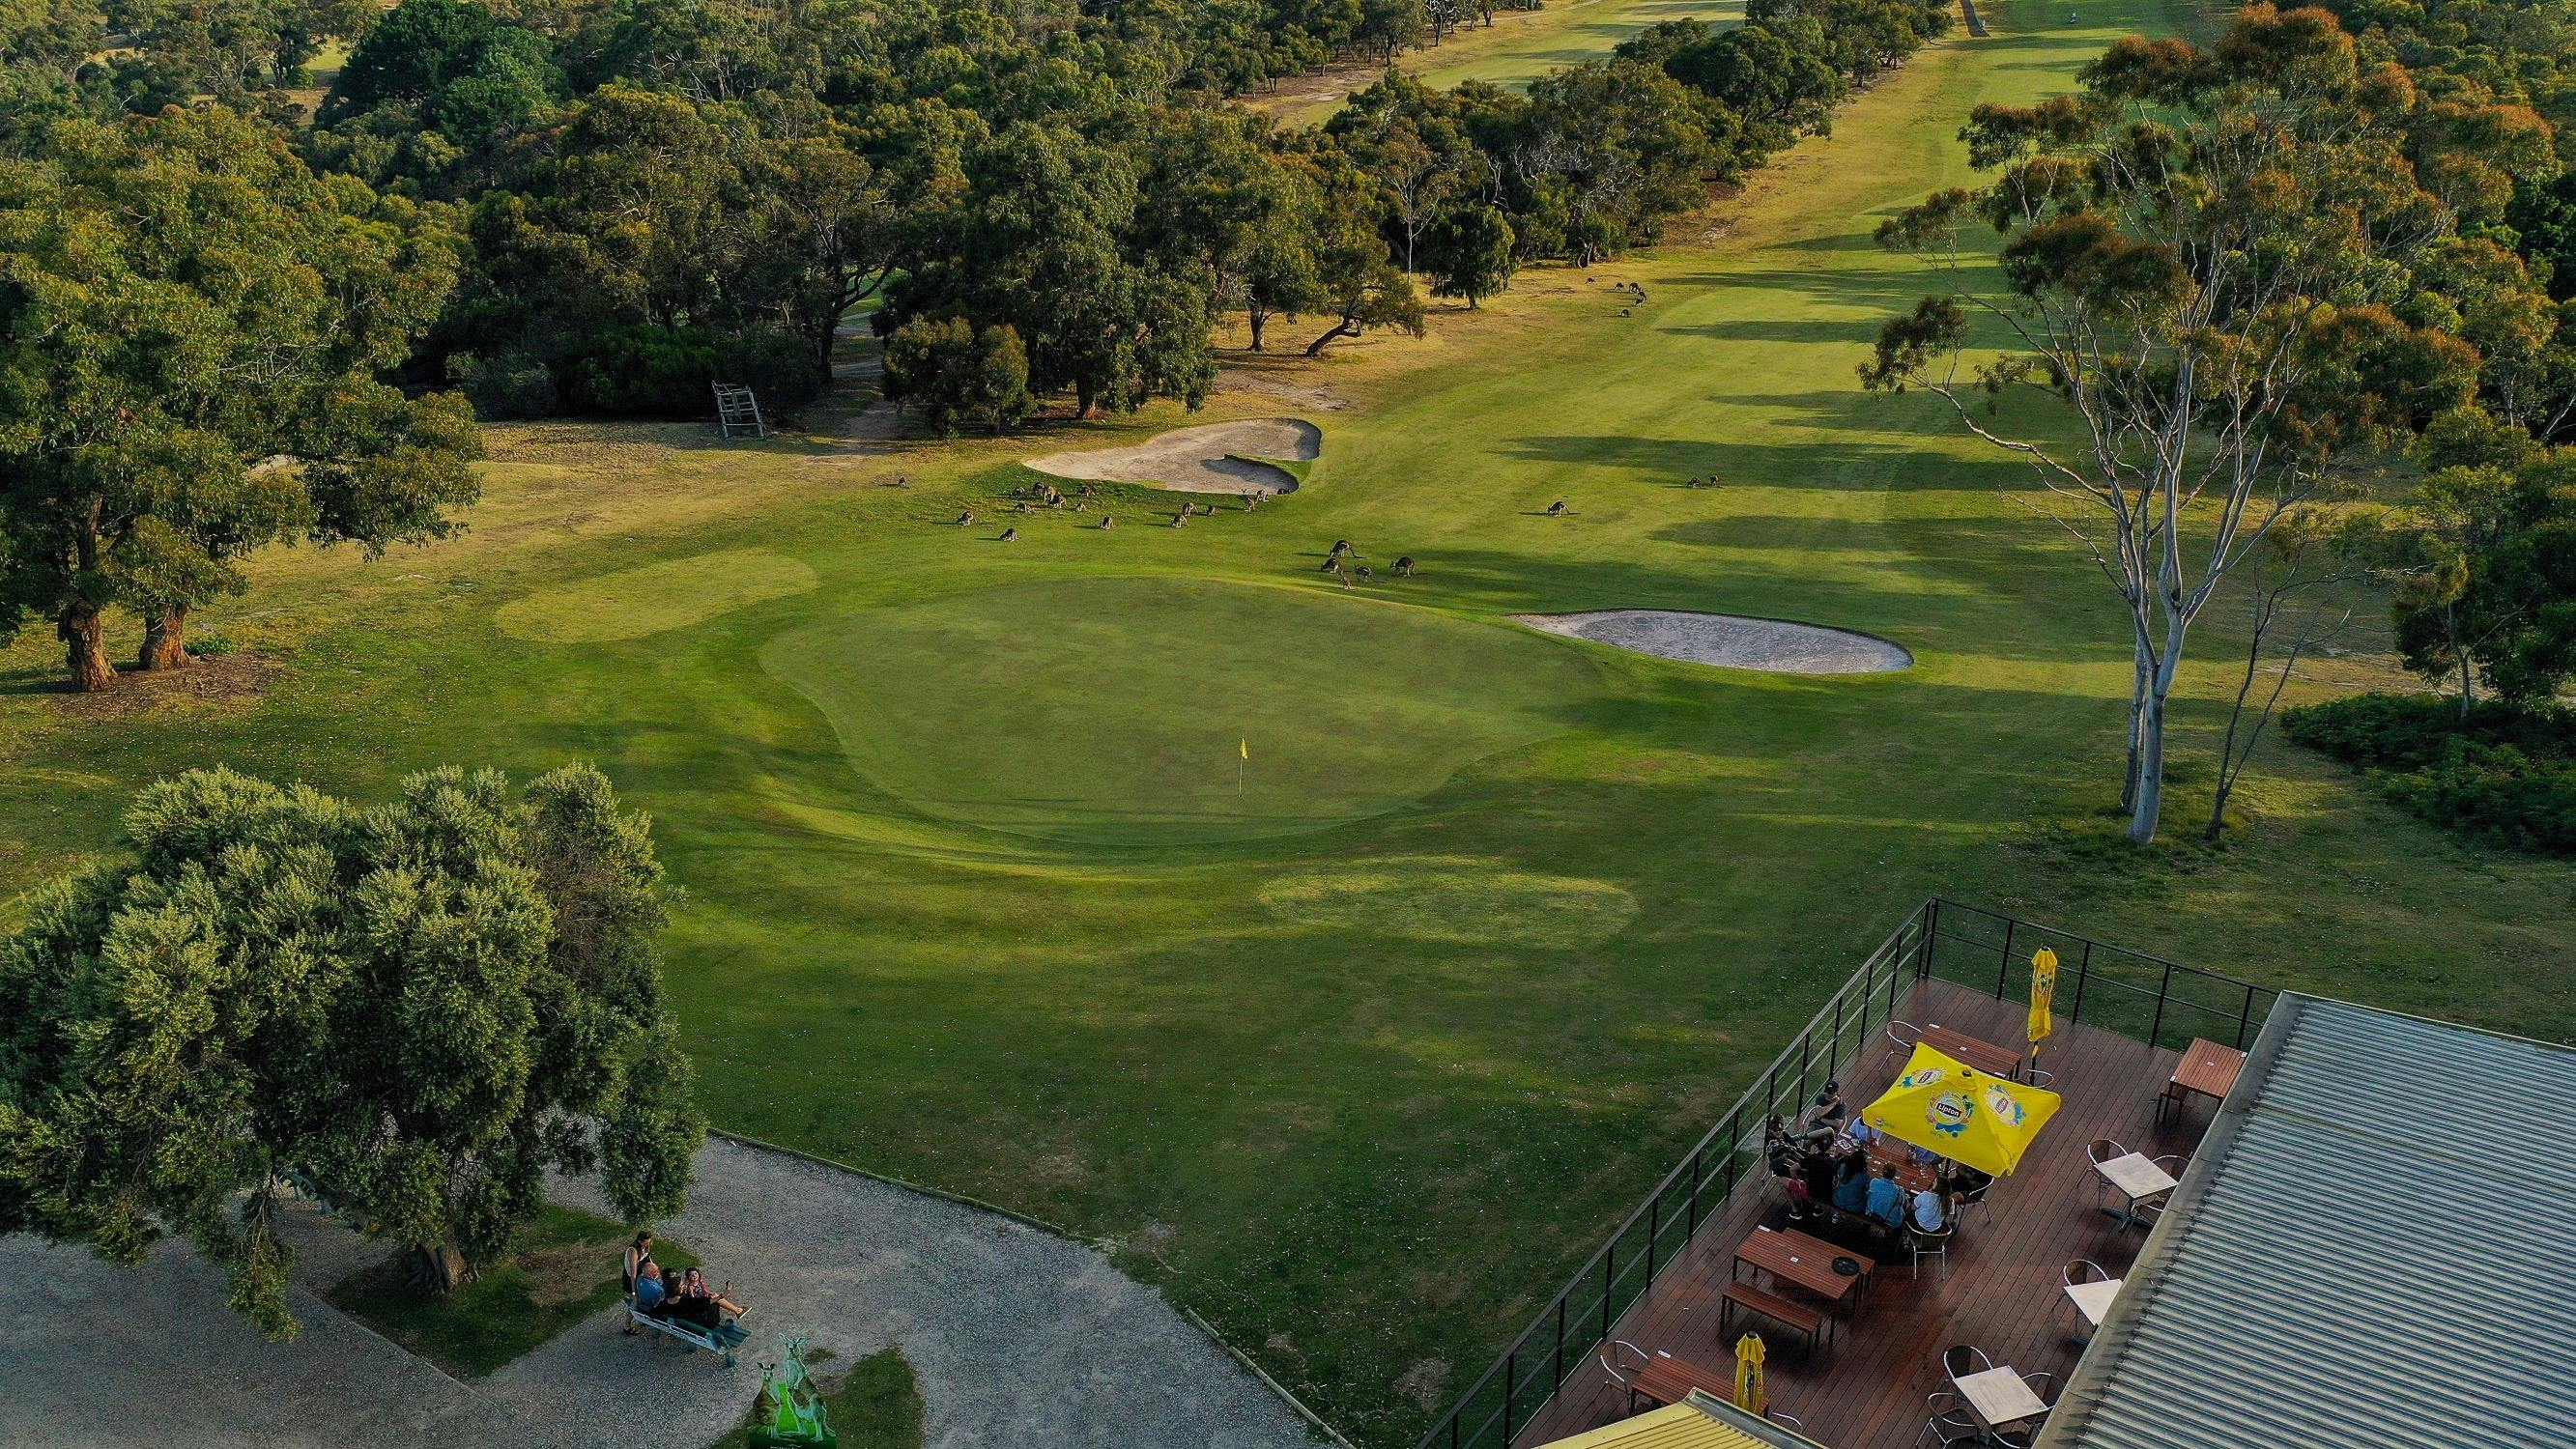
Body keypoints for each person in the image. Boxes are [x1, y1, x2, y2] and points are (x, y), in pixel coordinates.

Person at [1864, 1162, 1907, 1230]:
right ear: (1894, 1175)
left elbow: (1868, 1194)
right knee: (1902, 1209)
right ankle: (1897, 1237)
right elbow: (1902, 1203)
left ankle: (1866, 1226)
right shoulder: (1899, 1190)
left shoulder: (1874, 1182)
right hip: (1889, 1220)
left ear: (1882, 1172)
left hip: (1870, 1213)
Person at [1831, 1147, 1872, 1215]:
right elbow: (1867, 1189)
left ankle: (1837, 1215)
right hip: (1854, 1206)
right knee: (1869, 1197)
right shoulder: (1865, 1175)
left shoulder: (1843, 1166)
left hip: (1837, 1200)